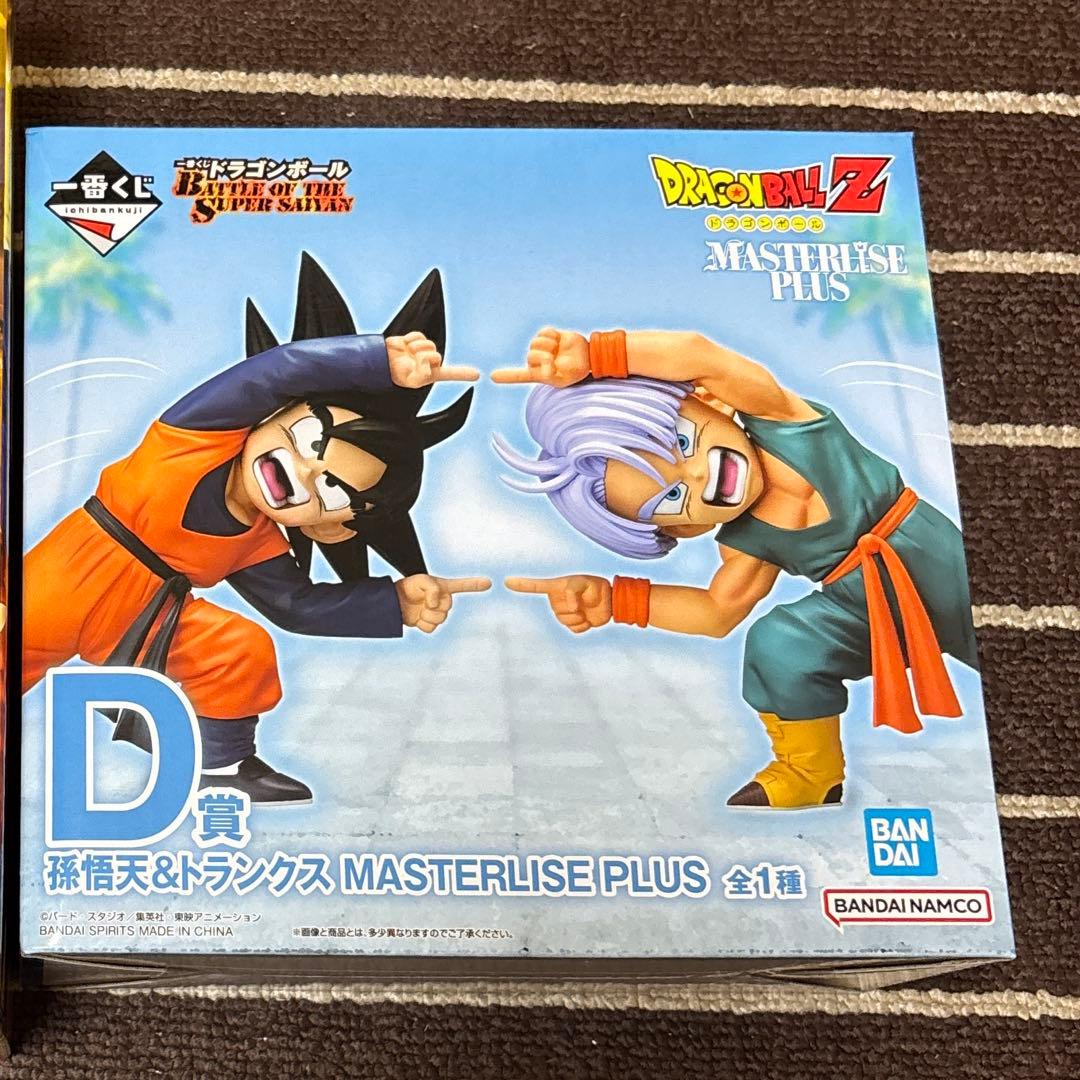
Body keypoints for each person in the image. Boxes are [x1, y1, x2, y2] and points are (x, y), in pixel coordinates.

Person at [24, 253, 490, 804]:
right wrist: (374, 360)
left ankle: (221, 765)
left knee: (240, 649)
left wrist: (394, 602)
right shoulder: (193, 436)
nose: (305, 472)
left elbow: (297, 607)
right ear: (276, 413)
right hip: (61, 581)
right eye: (311, 440)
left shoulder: (256, 542)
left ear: (332, 528)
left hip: (144, 619)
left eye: (331, 492)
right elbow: (275, 371)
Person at [493, 326, 976, 810]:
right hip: (866, 609)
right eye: (672, 497)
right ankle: (811, 773)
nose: (697, 474)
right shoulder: (747, 544)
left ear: (710, 401)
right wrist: (617, 600)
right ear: (683, 529)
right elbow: (715, 612)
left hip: (935, 556)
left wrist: (597, 354)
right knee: (779, 644)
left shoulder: (783, 420)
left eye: (681, 442)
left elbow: (701, 356)